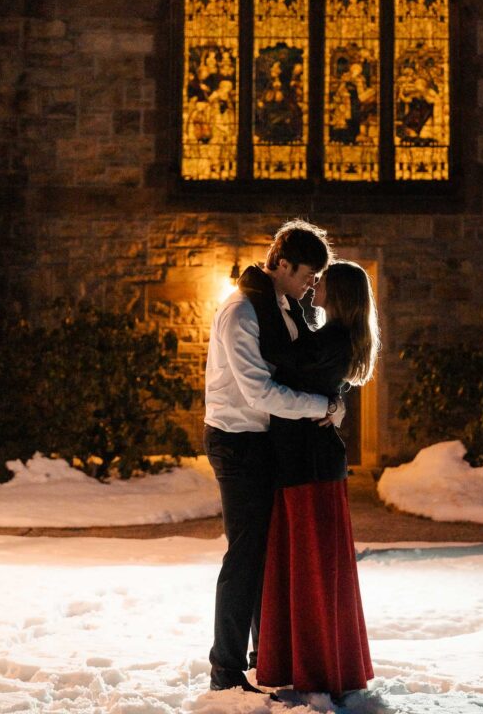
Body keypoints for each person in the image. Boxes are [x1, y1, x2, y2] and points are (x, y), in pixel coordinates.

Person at [203, 220, 343, 693]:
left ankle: (267, 656)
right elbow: (259, 392)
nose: (312, 284)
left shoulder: (284, 308)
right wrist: (318, 407)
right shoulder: (241, 311)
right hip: (237, 440)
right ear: (282, 263)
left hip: (266, 441)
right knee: (245, 554)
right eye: (308, 273)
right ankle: (224, 669)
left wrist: (330, 399)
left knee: (270, 551)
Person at [255, 260, 379, 699]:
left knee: (311, 568)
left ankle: (319, 668)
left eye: (323, 281)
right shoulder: (329, 337)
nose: (315, 285)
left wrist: (263, 295)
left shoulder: (332, 339)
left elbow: (281, 357)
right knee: (307, 566)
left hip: (309, 465)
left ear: (339, 292)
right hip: (306, 462)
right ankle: (313, 662)